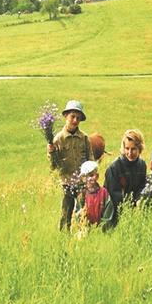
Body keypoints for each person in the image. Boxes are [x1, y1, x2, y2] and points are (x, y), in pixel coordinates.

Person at [47, 99, 92, 230]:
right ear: (66, 116)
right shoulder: (58, 139)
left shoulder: (84, 138)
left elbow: (91, 160)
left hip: (81, 182)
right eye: (72, 116)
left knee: (83, 211)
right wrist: (51, 153)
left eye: (78, 118)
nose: (75, 120)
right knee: (66, 211)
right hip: (66, 182)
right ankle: (64, 237)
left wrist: (89, 179)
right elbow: (54, 166)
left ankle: (82, 234)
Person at [103, 129, 147, 230]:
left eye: (134, 149)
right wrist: (127, 211)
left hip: (132, 211)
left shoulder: (142, 165)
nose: (130, 153)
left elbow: (141, 188)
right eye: (127, 148)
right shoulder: (114, 168)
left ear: (139, 148)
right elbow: (113, 195)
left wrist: (138, 202)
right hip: (113, 212)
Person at [75, 159, 112, 229]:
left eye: (91, 175)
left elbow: (108, 214)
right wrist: (80, 216)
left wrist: (102, 228)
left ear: (97, 176)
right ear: (82, 179)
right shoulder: (82, 195)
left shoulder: (104, 193)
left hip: (102, 229)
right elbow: (77, 213)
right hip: (86, 229)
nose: (88, 179)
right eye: (85, 176)